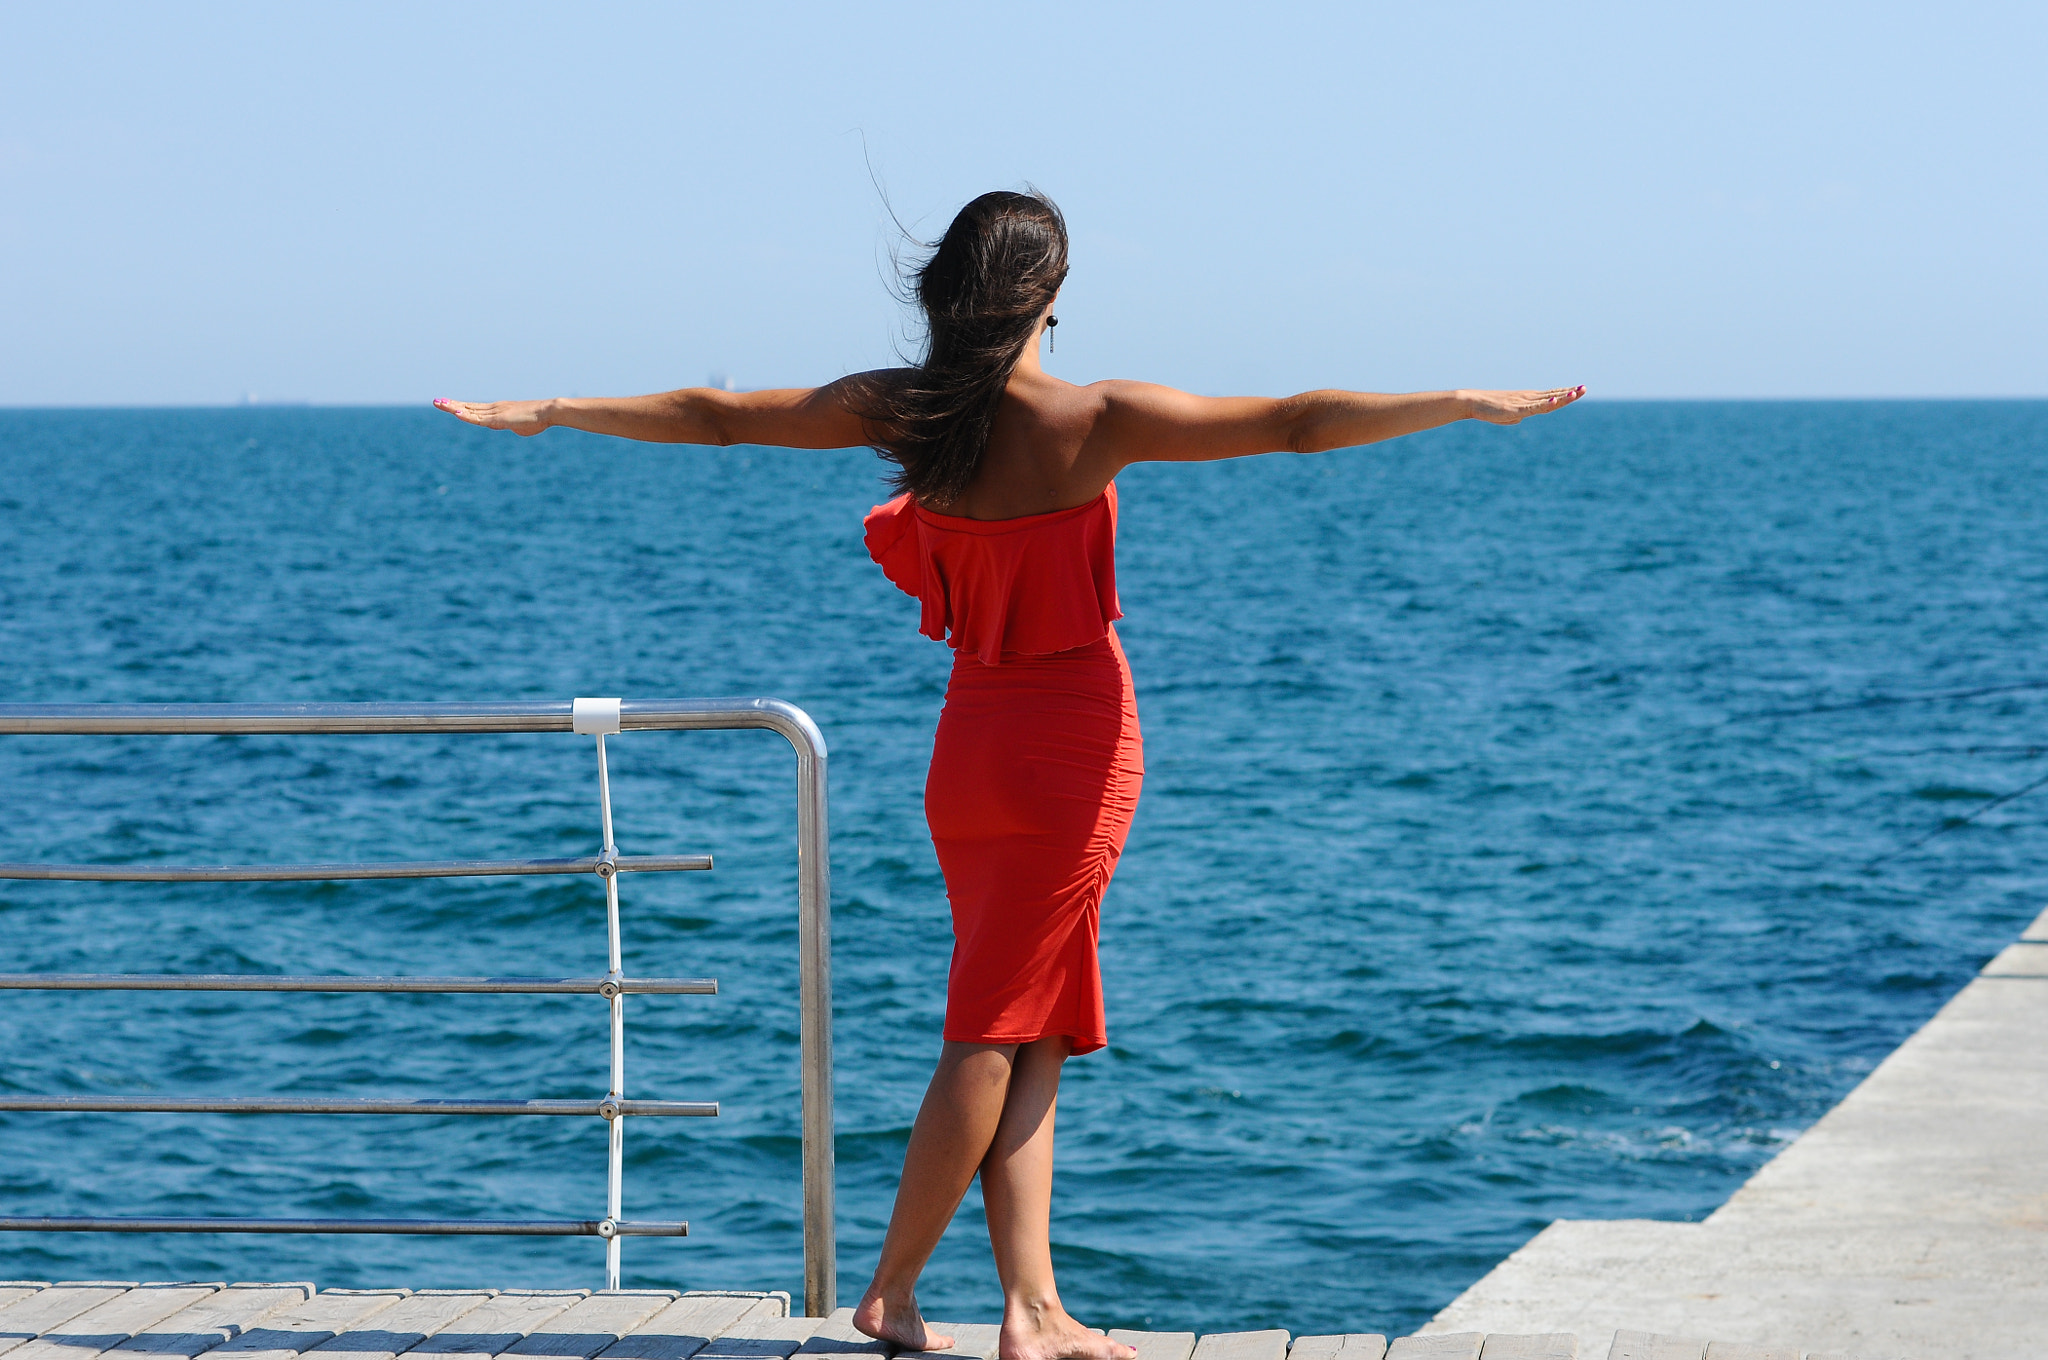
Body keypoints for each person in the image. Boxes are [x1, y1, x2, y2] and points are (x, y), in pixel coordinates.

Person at [437, 188, 1580, 1360]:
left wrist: (557, 410)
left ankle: (1030, 1308)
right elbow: (1291, 423)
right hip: (1070, 746)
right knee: (989, 1027)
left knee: (1031, 1015)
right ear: (1048, 297)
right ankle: (890, 1290)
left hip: (969, 746)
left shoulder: (908, 410)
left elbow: (716, 416)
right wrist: (1455, 402)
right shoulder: (1091, 413)